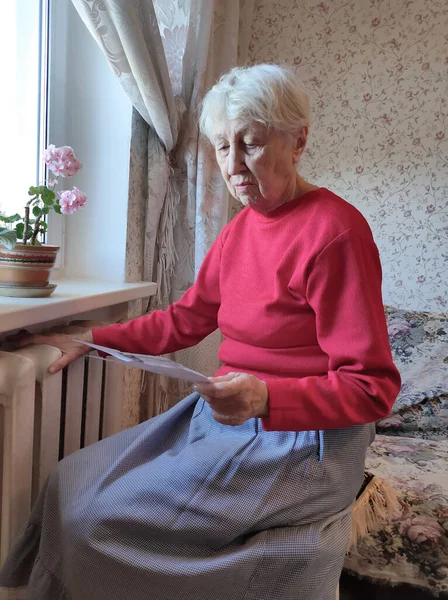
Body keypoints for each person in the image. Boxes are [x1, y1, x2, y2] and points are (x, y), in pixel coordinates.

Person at [0, 64, 400, 600]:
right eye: (220, 147)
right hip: (233, 415)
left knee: (94, 523)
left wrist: (265, 398)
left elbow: (372, 388)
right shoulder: (239, 231)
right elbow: (184, 319)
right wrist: (92, 340)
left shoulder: (336, 234)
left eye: (251, 144)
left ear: (297, 141)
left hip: (307, 439)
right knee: (68, 482)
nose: (233, 165)